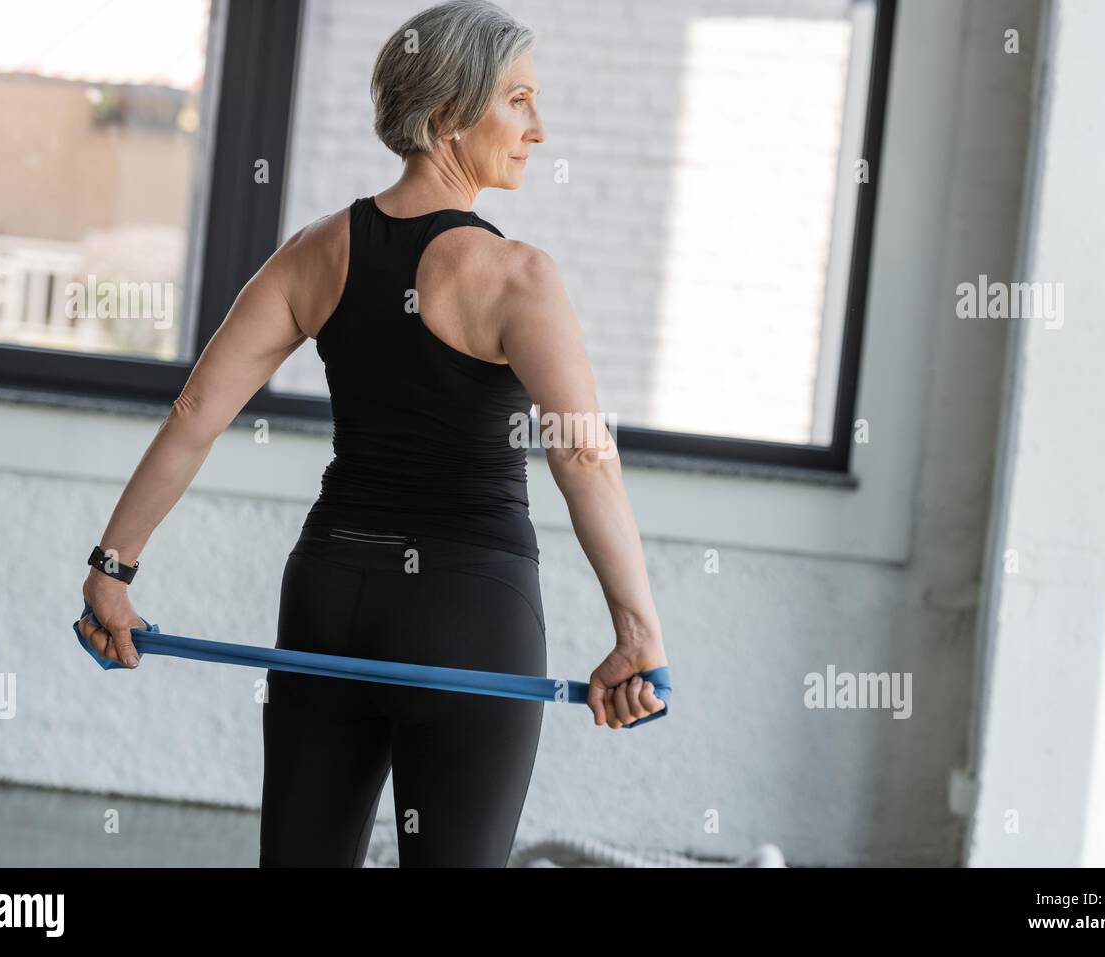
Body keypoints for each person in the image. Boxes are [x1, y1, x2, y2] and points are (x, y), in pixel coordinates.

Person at [77, 0, 669, 867]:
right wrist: (639, 632)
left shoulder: (313, 253)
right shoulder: (517, 276)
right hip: (470, 608)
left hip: (330, 595)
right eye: (518, 101)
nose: (539, 128)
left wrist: (111, 568)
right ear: (445, 119)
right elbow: (582, 450)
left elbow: (196, 412)